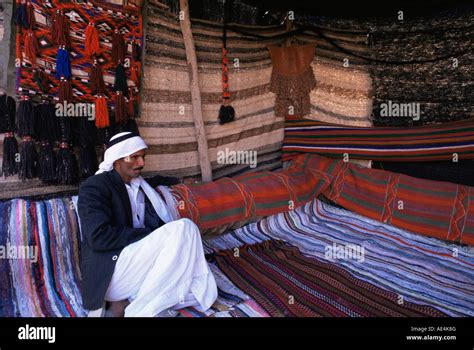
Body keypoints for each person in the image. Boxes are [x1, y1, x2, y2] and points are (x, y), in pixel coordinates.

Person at [77, 132, 217, 317]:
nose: (141, 163)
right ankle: (140, 310)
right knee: (183, 228)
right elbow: (98, 238)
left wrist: (180, 181)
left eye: (143, 157)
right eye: (134, 157)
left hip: (136, 266)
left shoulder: (139, 183)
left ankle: (133, 300)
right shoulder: (95, 187)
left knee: (189, 281)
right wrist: (147, 234)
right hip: (111, 272)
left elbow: (157, 180)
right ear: (117, 159)